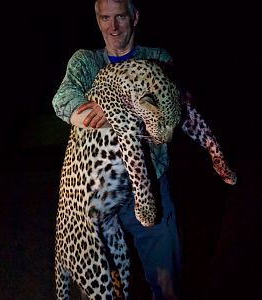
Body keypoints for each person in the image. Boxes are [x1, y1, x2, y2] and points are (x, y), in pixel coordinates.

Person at [52, 0, 236, 298]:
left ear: (135, 17)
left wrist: (213, 151)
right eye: (105, 18)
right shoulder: (85, 62)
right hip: (98, 189)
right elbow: (63, 100)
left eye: (121, 17)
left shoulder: (157, 58)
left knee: (167, 280)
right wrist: (99, 106)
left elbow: (178, 111)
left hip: (150, 182)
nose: (113, 27)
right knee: (103, 283)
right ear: (97, 20)